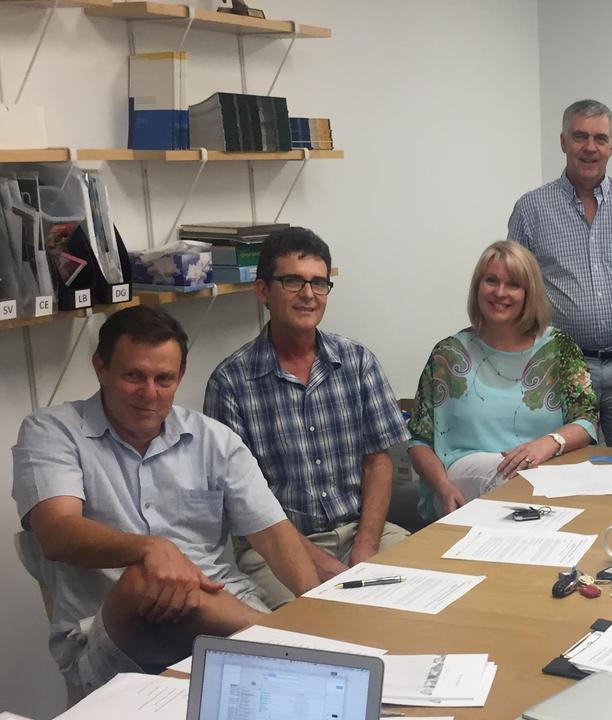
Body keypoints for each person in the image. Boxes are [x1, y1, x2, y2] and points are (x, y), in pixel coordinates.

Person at [12, 306, 318, 695]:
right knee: (147, 577)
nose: (149, 393)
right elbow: (57, 533)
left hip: (224, 617)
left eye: (163, 378)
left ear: (180, 377)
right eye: (133, 376)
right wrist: (151, 549)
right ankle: (289, 645)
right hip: (113, 635)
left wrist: (316, 610)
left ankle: (304, 643)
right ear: (100, 368)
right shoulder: (52, 431)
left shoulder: (214, 439)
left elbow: (274, 535)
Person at [204, 228, 409, 609]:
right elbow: (245, 502)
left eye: (319, 283)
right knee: (314, 631)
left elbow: (378, 462)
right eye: (293, 281)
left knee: (430, 596)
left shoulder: (358, 362)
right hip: (278, 547)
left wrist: (364, 548)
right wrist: (320, 563)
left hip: (363, 531)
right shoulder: (231, 383)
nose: (308, 294)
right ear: (263, 291)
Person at [508, 98, 612, 447]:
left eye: (600, 138)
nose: (590, 148)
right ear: (563, 141)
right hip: (559, 363)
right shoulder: (531, 209)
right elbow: (517, 287)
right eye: (580, 136)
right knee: (565, 461)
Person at [407, 241, 597, 520]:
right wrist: (442, 486)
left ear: (529, 293)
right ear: (477, 287)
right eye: (491, 281)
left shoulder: (558, 348)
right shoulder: (448, 355)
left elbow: (587, 419)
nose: (500, 293)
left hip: (545, 477)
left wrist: (549, 442)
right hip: (462, 479)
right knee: (508, 476)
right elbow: (418, 441)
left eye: (513, 285)